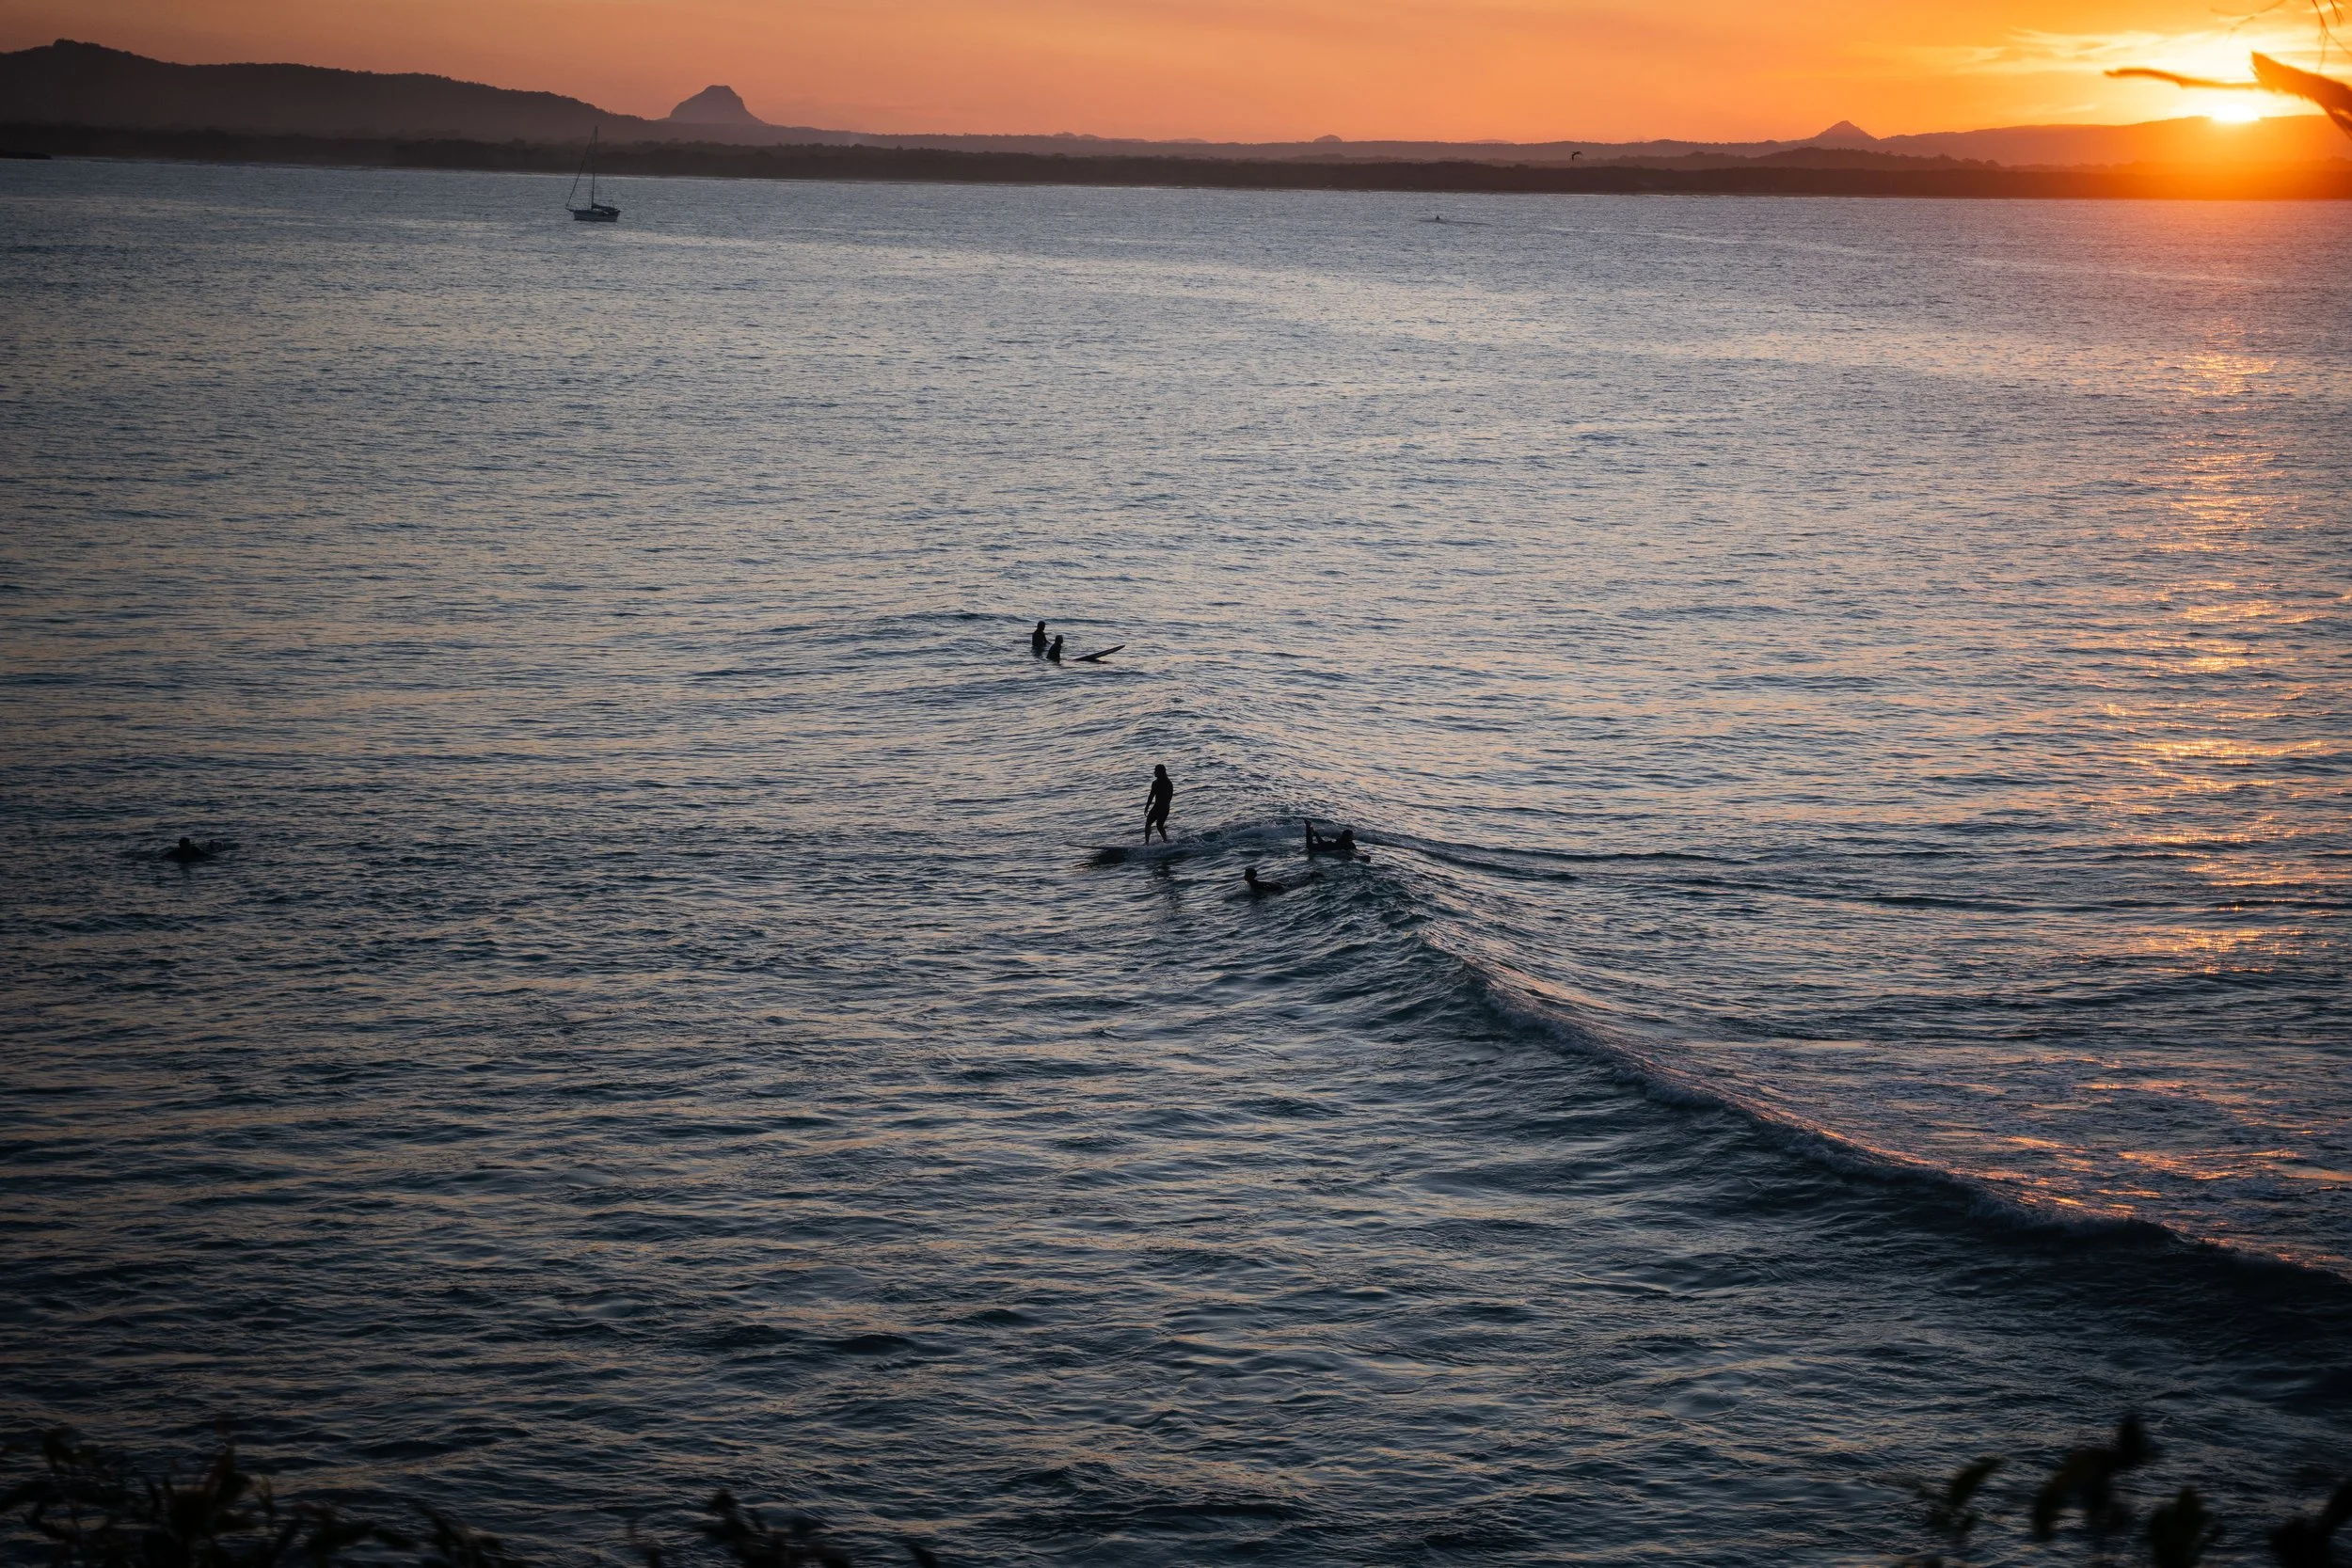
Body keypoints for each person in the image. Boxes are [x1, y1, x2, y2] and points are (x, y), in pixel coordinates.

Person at [1144, 764, 1173, 842]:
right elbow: (1170, 797)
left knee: (1148, 824)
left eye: (1156, 771)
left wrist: (1146, 807)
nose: (1154, 772)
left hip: (1158, 807)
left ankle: (1147, 843)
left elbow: (1151, 796)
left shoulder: (1156, 783)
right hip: (1166, 808)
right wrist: (1166, 806)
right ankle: (1166, 841)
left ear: (1160, 772)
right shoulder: (1169, 783)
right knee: (1160, 826)